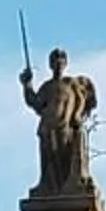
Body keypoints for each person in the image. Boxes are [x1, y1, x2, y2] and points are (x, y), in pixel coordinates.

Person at [21, 47, 97, 194]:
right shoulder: (47, 87)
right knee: (48, 162)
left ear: (65, 64)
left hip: (64, 126)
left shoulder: (71, 84)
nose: (58, 64)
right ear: (50, 65)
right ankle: (48, 186)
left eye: (61, 61)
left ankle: (64, 187)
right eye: (55, 61)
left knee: (64, 160)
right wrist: (27, 85)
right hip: (47, 127)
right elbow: (35, 103)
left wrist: (77, 116)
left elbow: (81, 100)